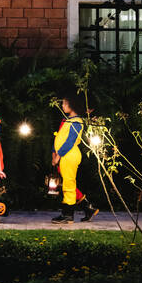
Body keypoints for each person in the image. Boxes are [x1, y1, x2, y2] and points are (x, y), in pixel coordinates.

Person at [51, 91, 98, 224]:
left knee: (69, 184)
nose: (62, 106)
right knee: (67, 183)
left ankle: (68, 215)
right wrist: (54, 154)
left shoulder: (77, 122)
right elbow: (60, 138)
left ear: (72, 105)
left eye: (65, 103)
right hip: (64, 156)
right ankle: (84, 210)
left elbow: (69, 141)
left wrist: (58, 155)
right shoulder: (69, 120)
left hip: (69, 155)